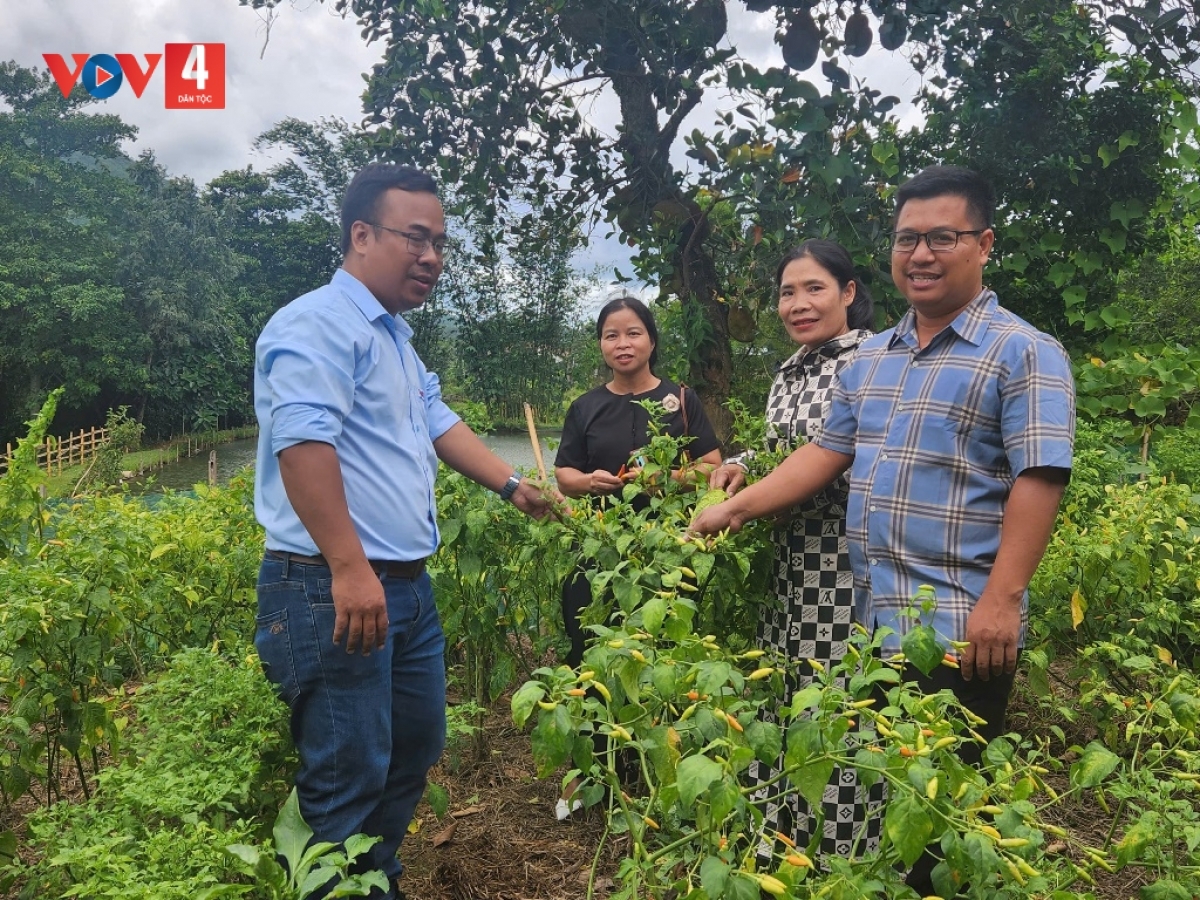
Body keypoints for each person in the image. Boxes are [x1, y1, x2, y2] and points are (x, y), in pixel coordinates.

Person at [692, 166, 1075, 892]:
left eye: (943, 237)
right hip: (870, 631)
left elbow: (1040, 476)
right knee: (882, 811)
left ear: (984, 243)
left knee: (937, 825)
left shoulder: (1022, 351)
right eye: (907, 239)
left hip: (957, 627)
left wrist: (1003, 599)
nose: (921, 254)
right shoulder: (875, 358)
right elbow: (823, 453)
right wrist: (733, 509)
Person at [253, 163, 556, 899]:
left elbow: (437, 420)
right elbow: (304, 444)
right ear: (361, 235)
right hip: (335, 589)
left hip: (404, 591)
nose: (432, 257)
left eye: (440, 243)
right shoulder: (316, 324)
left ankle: (373, 879)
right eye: (415, 238)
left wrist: (514, 487)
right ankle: (340, 884)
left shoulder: (393, 337)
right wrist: (349, 567)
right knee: (346, 774)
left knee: (415, 746)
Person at [707, 240, 883, 861]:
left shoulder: (872, 359)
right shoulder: (790, 369)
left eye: (814, 289)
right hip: (787, 562)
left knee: (833, 709)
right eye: (787, 292)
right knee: (779, 695)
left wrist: (734, 508)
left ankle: (840, 858)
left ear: (849, 292)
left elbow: (832, 458)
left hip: (844, 565)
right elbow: (785, 452)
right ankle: (780, 844)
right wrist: (737, 464)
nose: (798, 304)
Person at [553, 295, 722, 816]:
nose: (622, 344)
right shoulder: (585, 406)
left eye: (632, 333)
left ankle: (655, 776)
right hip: (599, 548)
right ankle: (595, 774)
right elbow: (564, 474)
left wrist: (667, 478)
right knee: (591, 654)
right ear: (601, 345)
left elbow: (711, 465)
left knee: (659, 656)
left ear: (651, 340)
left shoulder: (681, 399)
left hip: (664, 550)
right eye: (611, 334)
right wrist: (587, 481)